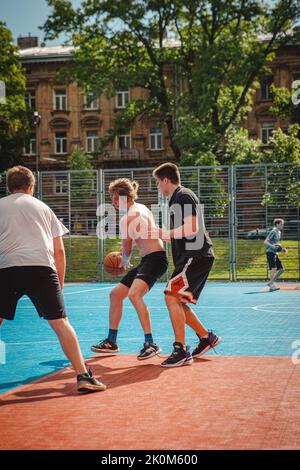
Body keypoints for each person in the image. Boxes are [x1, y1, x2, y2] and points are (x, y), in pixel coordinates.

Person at [0, 166, 106, 393]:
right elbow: (59, 251)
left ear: (8, 186)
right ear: (32, 186)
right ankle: (83, 375)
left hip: (6, 268)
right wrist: (59, 283)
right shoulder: (44, 208)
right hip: (41, 269)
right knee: (60, 323)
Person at [151, 162, 221, 367]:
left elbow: (191, 227)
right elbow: (183, 234)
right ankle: (206, 337)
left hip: (196, 255)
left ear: (166, 180)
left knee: (170, 296)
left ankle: (180, 350)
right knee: (178, 301)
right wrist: (163, 236)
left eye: (157, 183)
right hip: (192, 256)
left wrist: (166, 233)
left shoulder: (183, 195)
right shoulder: (177, 199)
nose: (158, 187)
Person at [91, 178, 168, 360]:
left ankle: (150, 343)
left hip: (154, 260)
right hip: (150, 259)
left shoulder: (129, 216)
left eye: (115, 198)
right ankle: (111, 341)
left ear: (124, 196)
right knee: (115, 294)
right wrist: (125, 253)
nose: (113, 202)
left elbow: (126, 247)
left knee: (134, 295)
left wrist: (124, 261)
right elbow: (136, 238)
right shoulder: (140, 208)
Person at [264, 218, 287, 292]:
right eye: (281, 224)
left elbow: (276, 244)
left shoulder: (279, 232)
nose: (282, 226)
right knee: (273, 268)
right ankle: (271, 285)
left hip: (275, 253)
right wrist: (273, 247)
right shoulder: (273, 231)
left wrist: (282, 249)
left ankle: (271, 282)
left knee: (281, 269)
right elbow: (265, 242)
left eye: (282, 224)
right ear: (277, 224)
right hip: (270, 252)